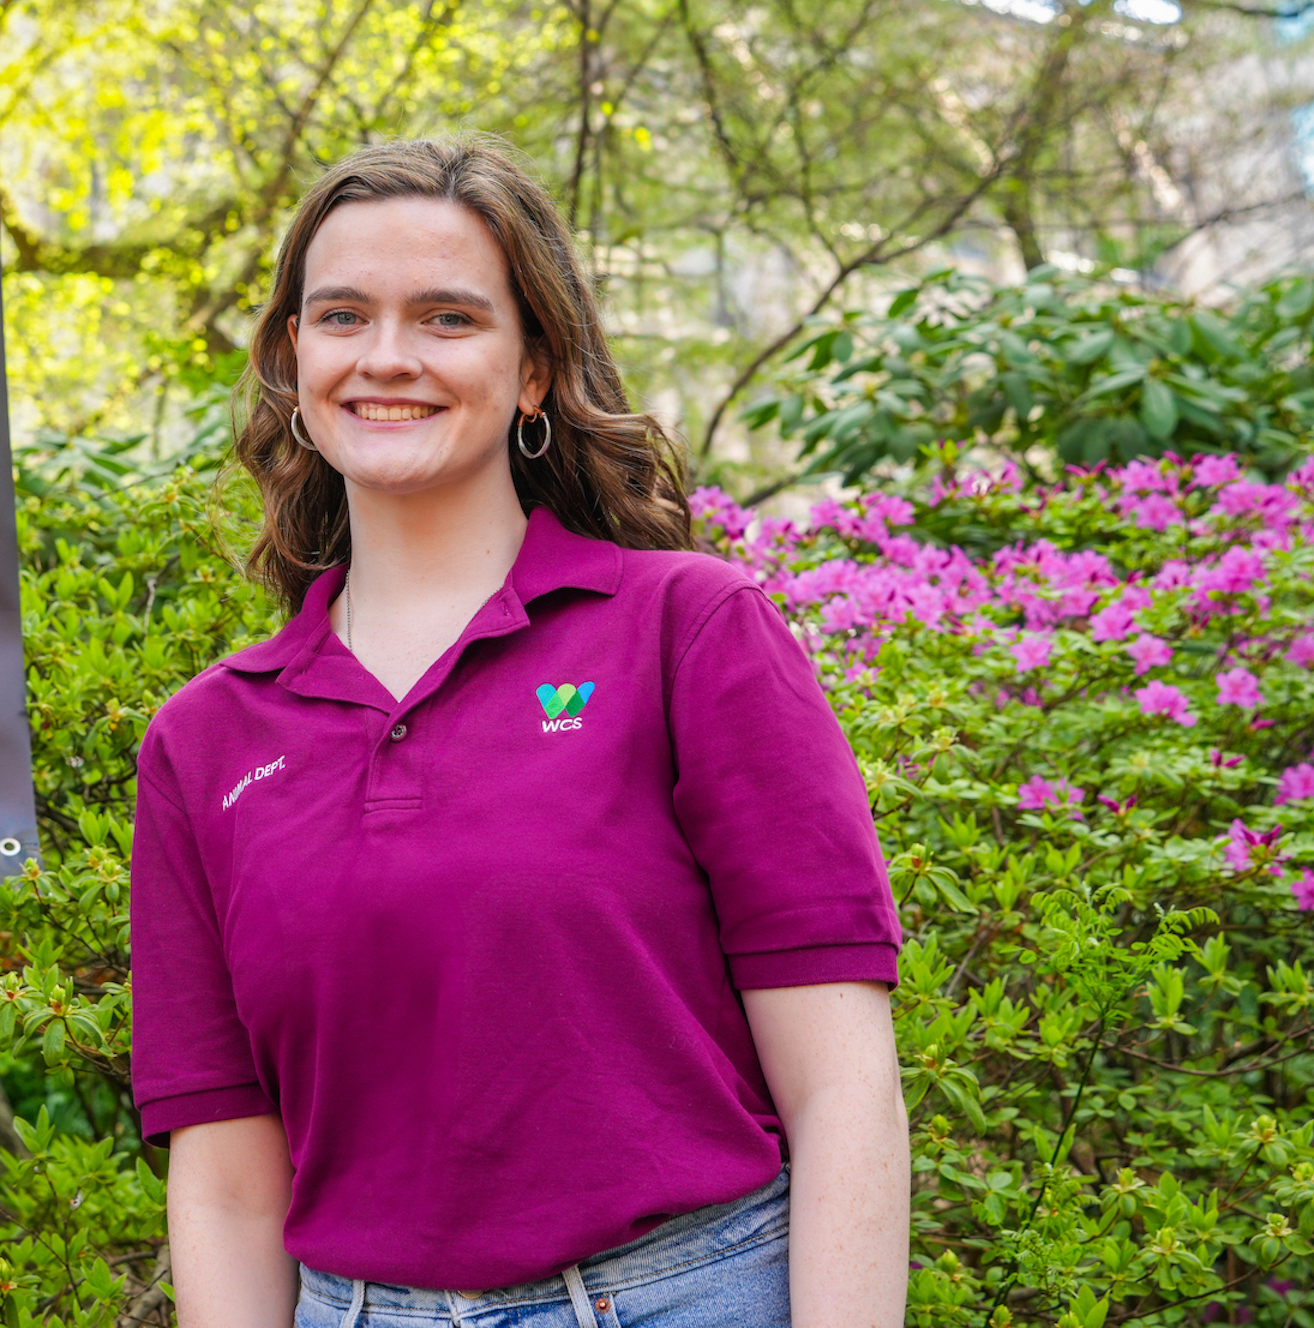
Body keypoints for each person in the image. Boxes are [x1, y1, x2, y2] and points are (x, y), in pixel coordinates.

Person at [130, 136, 909, 1328]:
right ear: (296, 358)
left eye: (448, 318)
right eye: (342, 316)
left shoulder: (686, 633)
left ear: (535, 368)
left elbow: (843, 1087)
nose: (386, 357)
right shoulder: (207, 741)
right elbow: (232, 1188)